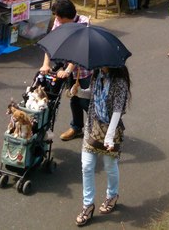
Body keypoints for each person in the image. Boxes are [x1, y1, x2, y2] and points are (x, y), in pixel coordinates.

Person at [74, 65, 131, 226]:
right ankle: (87, 206)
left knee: (109, 166)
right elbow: (91, 95)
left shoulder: (120, 82)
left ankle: (112, 195)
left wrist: (110, 136)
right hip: (92, 126)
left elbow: (118, 110)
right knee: (86, 165)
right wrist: (77, 92)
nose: (98, 63)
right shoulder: (97, 75)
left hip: (110, 130)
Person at [39, 0, 92, 142]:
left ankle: (100, 127)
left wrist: (68, 70)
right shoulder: (59, 23)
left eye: (57, 16)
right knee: (74, 99)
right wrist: (45, 64)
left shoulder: (83, 23)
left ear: (66, 17)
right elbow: (51, 42)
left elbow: (79, 50)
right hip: (69, 71)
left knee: (86, 102)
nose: (56, 19)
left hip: (84, 70)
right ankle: (76, 127)